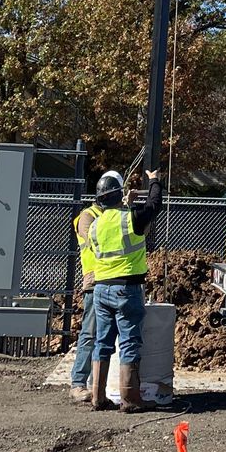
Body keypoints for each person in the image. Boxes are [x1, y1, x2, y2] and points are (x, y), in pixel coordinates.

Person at [89, 166, 166, 412]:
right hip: (126, 289)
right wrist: (154, 182)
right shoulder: (130, 218)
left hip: (101, 290)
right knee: (130, 342)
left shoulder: (95, 225)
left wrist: (126, 203)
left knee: (102, 342)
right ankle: (130, 400)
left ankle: (97, 398)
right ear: (118, 194)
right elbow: (154, 206)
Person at [67, 179, 108, 404]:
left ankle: (97, 384)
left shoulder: (111, 214)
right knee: (90, 333)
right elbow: (93, 238)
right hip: (94, 281)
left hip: (111, 279)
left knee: (104, 336)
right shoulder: (87, 216)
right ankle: (78, 383)